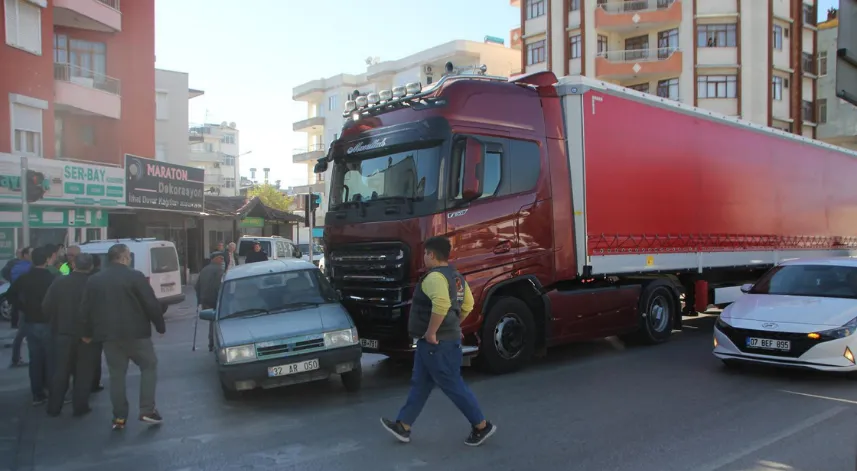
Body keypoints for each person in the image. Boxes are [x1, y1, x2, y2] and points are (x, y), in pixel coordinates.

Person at [380, 236, 496, 447]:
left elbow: (441, 304)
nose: (423, 258)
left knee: (452, 384)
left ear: (431, 254)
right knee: (421, 383)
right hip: (437, 342)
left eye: (425, 254)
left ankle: (481, 425)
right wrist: (454, 325)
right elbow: (468, 304)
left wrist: (433, 332)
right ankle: (403, 425)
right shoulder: (456, 277)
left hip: (436, 343)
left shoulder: (434, 278)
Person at [80, 243, 166, 430]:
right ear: (125, 257)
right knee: (149, 366)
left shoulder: (95, 280)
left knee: (117, 375)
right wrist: (160, 326)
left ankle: (119, 417)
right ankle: (147, 410)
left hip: (109, 337)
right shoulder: (135, 276)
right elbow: (150, 303)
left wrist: (86, 333)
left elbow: (86, 309)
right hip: (136, 334)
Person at [43, 253, 97, 417]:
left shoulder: (60, 282)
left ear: (73, 265)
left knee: (60, 372)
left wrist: (56, 322)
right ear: (91, 266)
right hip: (87, 335)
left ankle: (54, 407)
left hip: (63, 333)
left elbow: (46, 307)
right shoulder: (94, 284)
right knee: (84, 372)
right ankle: (80, 406)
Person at [6, 247, 59, 405]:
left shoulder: (24, 278)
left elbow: (10, 295)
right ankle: (52, 390)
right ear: (48, 260)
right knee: (51, 359)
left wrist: (22, 307)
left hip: (30, 321)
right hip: (48, 322)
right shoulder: (53, 278)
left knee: (35, 359)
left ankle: (37, 393)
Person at [6, 247, 31, 368]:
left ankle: (17, 358)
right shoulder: (23, 268)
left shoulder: (23, 267)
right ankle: (16, 358)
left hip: (24, 304)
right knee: (22, 332)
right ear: (25, 255)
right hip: (25, 304)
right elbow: (15, 288)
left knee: (24, 332)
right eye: (30, 253)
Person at [195, 252, 224, 352]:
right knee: (216, 321)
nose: (222, 261)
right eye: (220, 258)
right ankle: (213, 342)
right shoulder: (219, 270)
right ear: (214, 259)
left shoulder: (204, 270)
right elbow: (218, 286)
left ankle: (211, 342)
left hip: (204, 299)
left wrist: (199, 299)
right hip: (214, 299)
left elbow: (197, 286)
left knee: (212, 321)